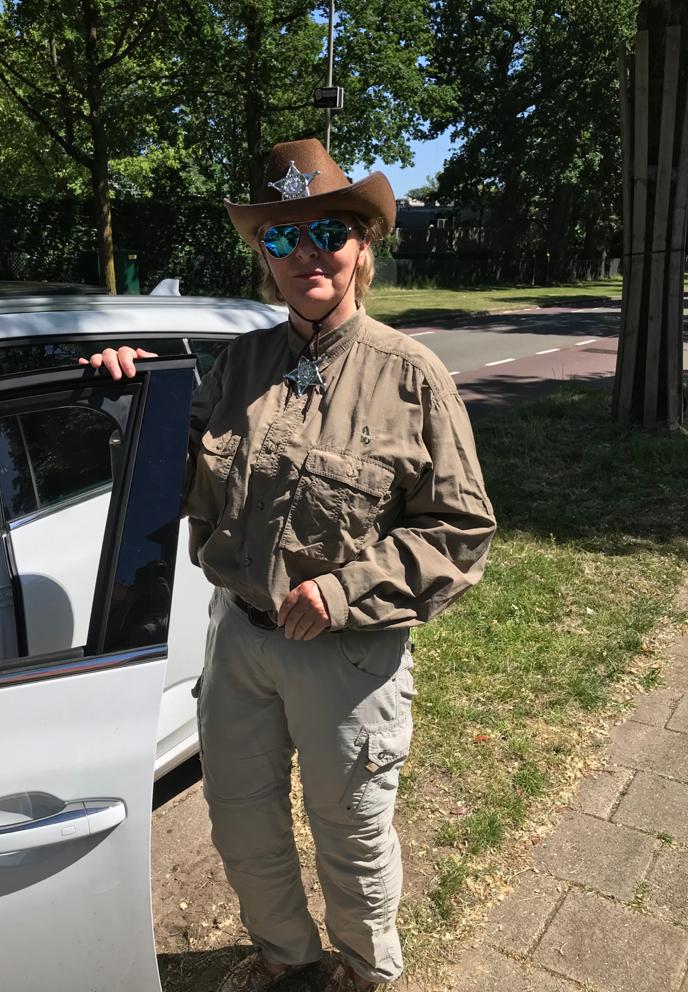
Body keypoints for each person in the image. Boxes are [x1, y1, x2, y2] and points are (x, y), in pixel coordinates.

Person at [83, 139, 496, 992]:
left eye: (329, 233)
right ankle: (286, 956)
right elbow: (176, 476)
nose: (308, 253)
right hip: (239, 638)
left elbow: (460, 530)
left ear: (361, 246)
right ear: (265, 258)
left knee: (351, 830)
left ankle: (365, 971)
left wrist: (345, 591)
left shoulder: (410, 377)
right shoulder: (239, 365)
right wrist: (129, 400)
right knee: (241, 820)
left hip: (347, 655)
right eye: (283, 237)